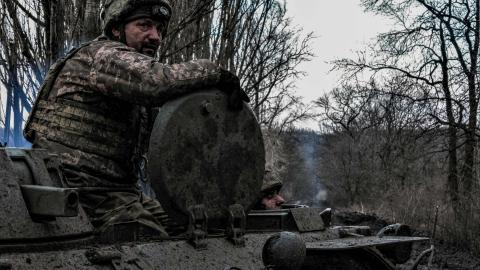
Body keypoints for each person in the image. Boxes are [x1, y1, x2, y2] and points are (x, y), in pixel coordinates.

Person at [23, 0, 248, 236]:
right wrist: (214, 73)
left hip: (120, 191)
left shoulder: (130, 88)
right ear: (116, 30)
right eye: (145, 25)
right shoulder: (102, 56)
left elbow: (182, 140)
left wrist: (259, 187)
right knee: (158, 249)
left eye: (159, 29)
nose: (156, 36)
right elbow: (157, 81)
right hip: (80, 190)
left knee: (195, 228)